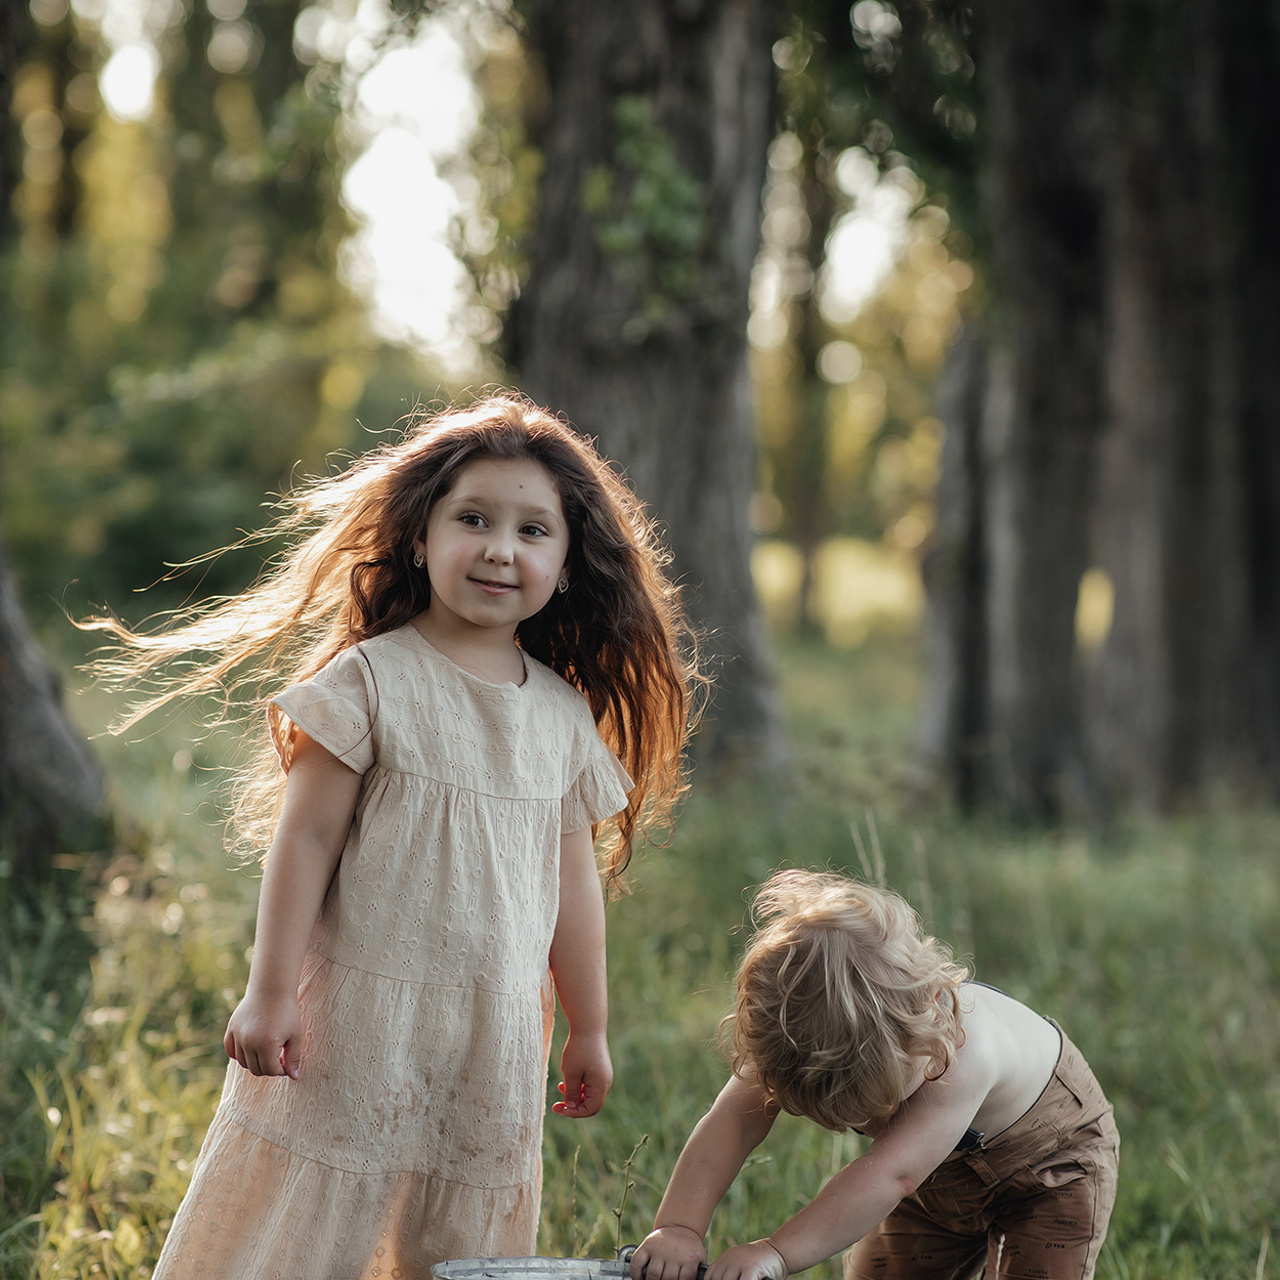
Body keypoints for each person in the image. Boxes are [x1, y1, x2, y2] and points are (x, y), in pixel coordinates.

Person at [86, 393, 702, 1279]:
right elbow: (302, 843)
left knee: (451, 1236)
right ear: (421, 536)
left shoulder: (564, 720)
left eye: (534, 531)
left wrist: (589, 1028)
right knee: (319, 1220)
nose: (499, 547)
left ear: (568, 566)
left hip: (492, 1038)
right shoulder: (371, 681)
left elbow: (574, 888)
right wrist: (269, 992)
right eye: (474, 519)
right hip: (359, 1025)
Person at [630, 870, 1119, 1280]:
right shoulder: (794, 1029)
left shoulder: (967, 1055)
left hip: (1052, 1167)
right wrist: (680, 1227)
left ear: (921, 1037)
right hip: (933, 1177)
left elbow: (892, 1174)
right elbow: (733, 1122)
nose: (866, 1122)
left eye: (876, 1103)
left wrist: (776, 1252)